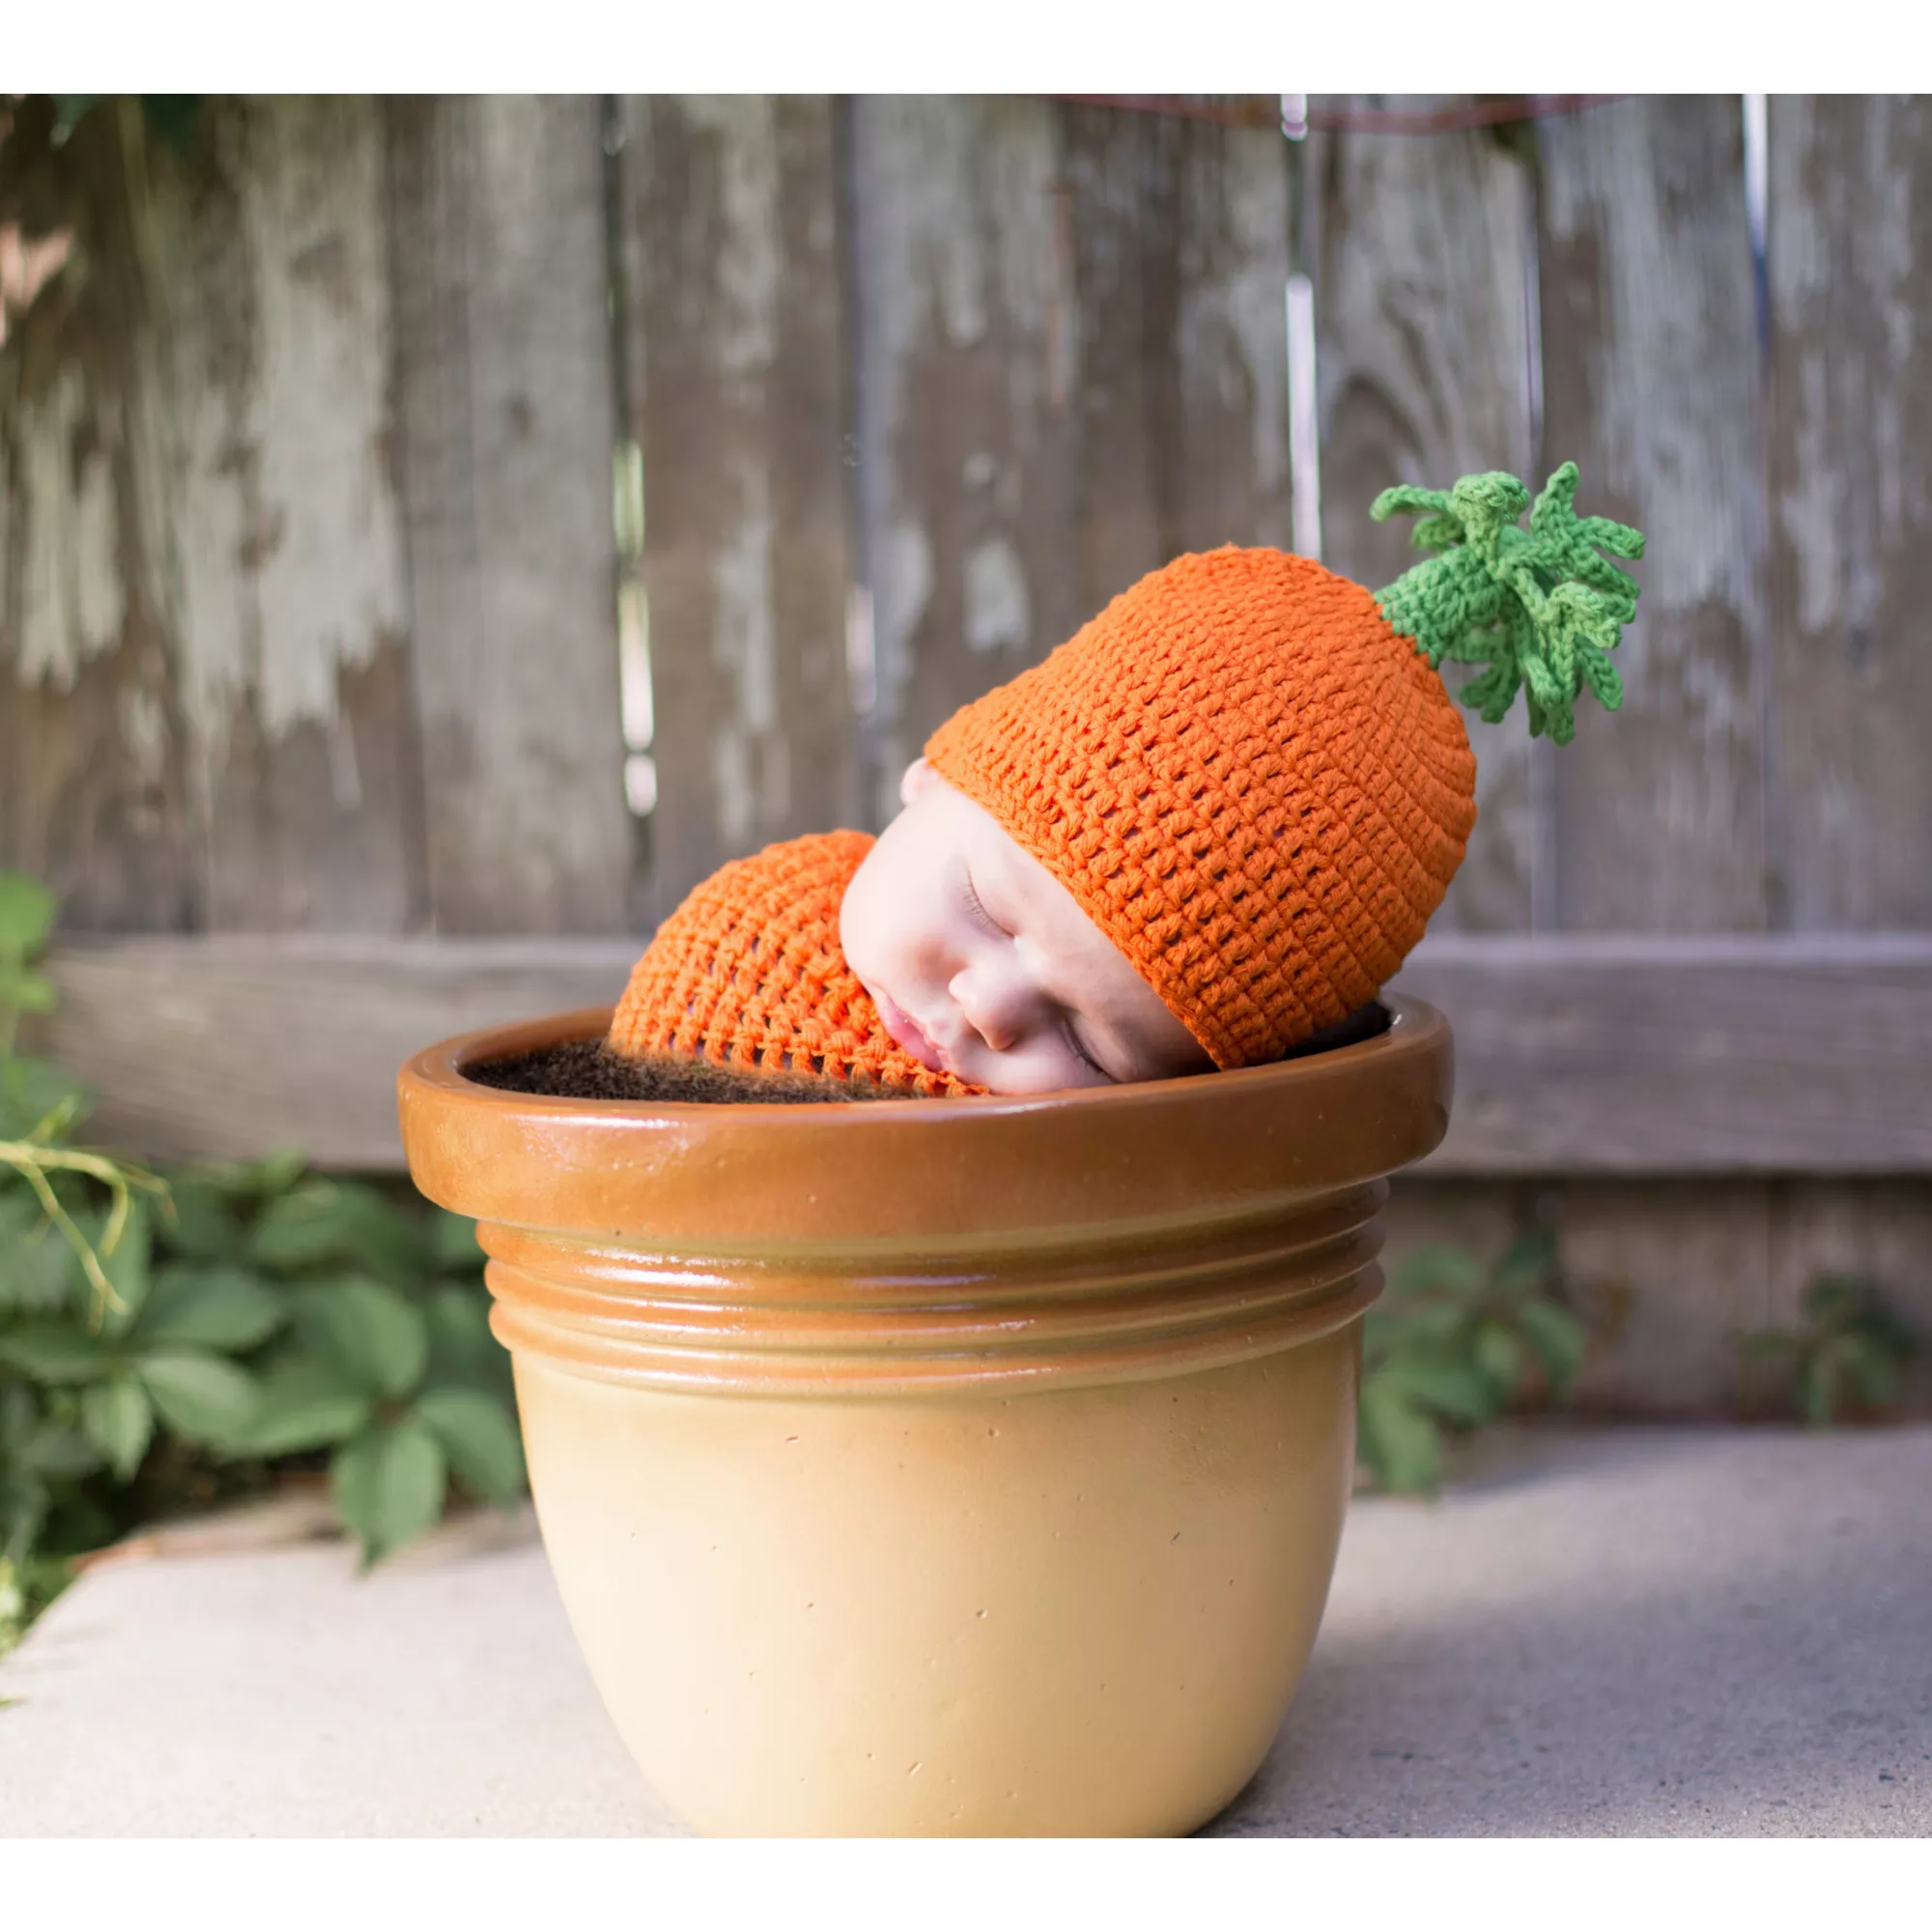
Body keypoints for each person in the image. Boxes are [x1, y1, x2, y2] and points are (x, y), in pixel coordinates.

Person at [609, 464, 1641, 1098]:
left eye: (1087, 1047)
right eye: (982, 906)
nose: (990, 1005)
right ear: (933, 773)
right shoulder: (743, 949)